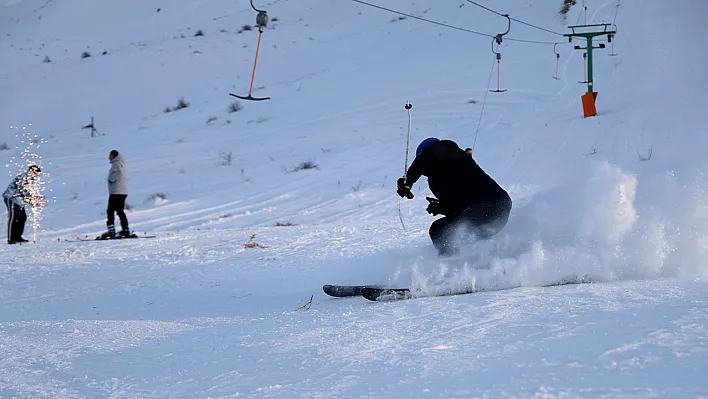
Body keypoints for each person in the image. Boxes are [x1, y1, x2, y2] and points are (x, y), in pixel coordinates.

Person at [397, 138, 512, 256]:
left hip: (490, 206)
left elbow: (424, 159)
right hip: (500, 208)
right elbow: (460, 205)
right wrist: (440, 207)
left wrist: (407, 182)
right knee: (464, 237)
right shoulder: (451, 168)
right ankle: (484, 265)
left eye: (420, 157)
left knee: (440, 231)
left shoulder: (441, 149)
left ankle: (449, 265)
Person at [2, 165, 43, 244]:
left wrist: (33, 200)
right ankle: (11, 239)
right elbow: (22, 189)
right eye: (37, 173)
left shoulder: (30, 179)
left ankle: (18, 237)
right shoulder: (25, 177)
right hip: (11, 198)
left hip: (19, 200)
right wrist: (31, 199)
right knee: (14, 218)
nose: (38, 175)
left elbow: (26, 192)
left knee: (22, 217)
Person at [99, 150, 134, 239]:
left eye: (110, 156)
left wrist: (111, 179)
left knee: (110, 211)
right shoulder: (122, 164)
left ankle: (111, 231)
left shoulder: (117, 164)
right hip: (122, 191)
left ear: (114, 156)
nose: (108, 158)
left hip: (116, 191)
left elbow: (118, 173)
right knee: (120, 211)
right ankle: (125, 229)